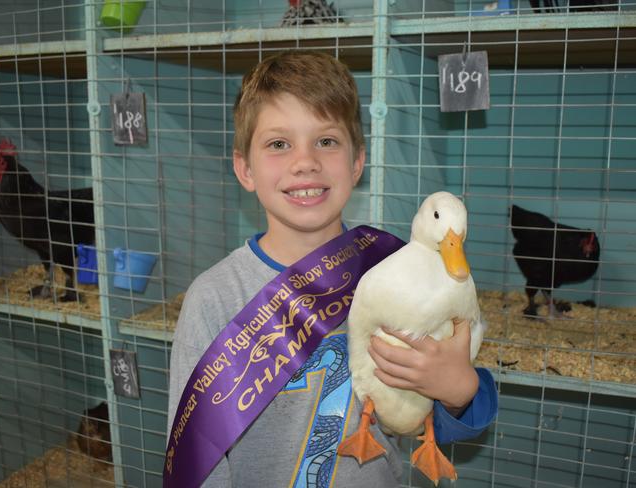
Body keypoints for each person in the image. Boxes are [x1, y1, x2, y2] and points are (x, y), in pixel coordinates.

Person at [167, 50, 497, 488]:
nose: (305, 162)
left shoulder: (395, 266)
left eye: (326, 141)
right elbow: (197, 454)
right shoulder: (216, 296)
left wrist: (461, 391)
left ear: (357, 161)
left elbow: (445, 409)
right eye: (279, 144)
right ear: (244, 168)